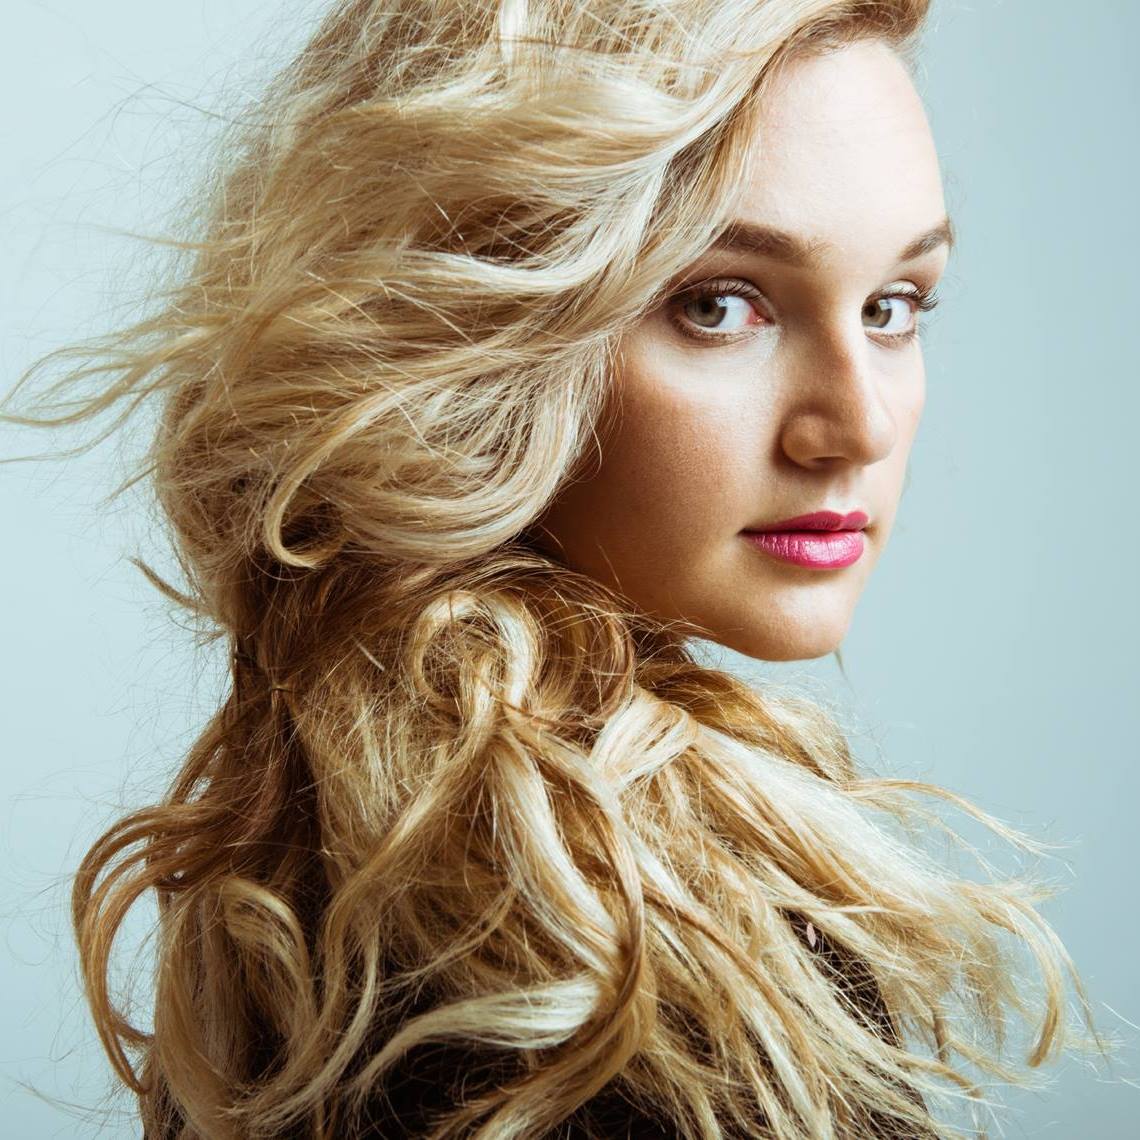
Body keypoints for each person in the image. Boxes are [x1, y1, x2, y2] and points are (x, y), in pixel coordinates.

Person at [1, 1, 1109, 1137]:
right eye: (719, 305)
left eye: (893, 306)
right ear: (476, 331)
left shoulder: (345, 859)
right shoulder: (591, 970)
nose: (858, 426)